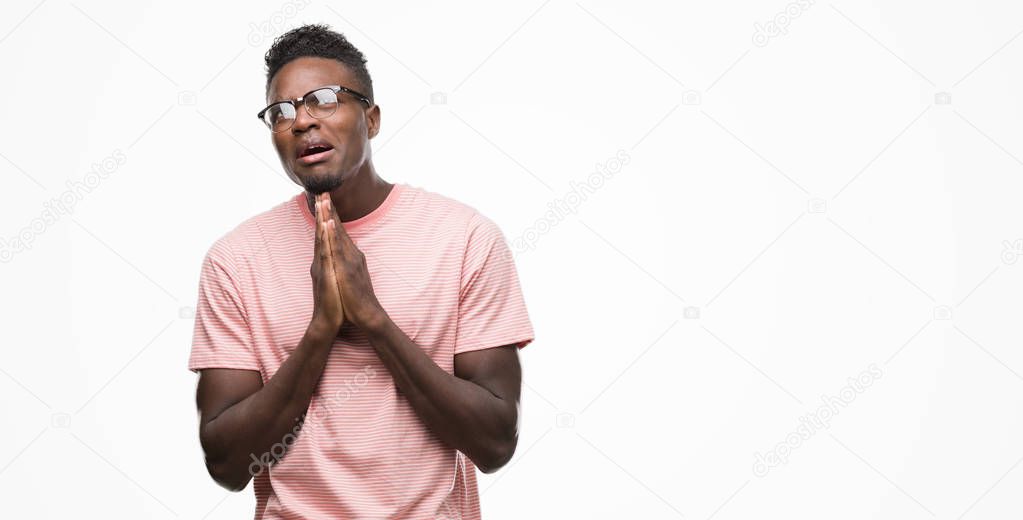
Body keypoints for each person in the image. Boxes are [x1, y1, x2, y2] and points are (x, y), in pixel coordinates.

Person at [188, 24, 535, 519]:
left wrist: (372, 318)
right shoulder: (235, 260)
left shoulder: (465, 239)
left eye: (324, 100)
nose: (302, 122)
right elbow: (226, 464)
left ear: (371, 120)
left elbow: (495, 443)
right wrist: (322, 328)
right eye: (281, 112)